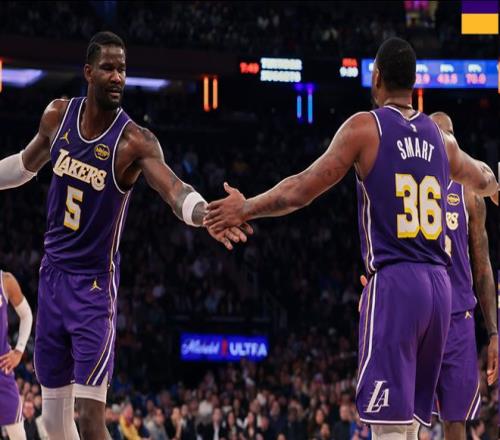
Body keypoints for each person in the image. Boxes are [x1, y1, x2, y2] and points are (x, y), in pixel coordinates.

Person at [204, 37, 499, 440]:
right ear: (414, 82)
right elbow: (484, 178)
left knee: (389, 426)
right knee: (413, 425)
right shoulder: (441, 140)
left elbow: (301, 189)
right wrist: (497, 185)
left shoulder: (366, 127)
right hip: (440, 290)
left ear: (376, 77)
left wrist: (246, 207)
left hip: (397, 282)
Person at [0, 31, 251, 440]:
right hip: (51, 278)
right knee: (53, 420)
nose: (117, 76)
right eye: (108, 68)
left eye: (122, 69)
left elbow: (174, 190)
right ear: (88, 72)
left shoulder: (135, 141)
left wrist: (205, 213)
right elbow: (24, 166)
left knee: (90, 418)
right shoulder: (57, 116)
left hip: (93, 288)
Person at [429, 112, 498, 440]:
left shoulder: (469, 192)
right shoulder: (405, 181)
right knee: (406, 414)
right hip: (419, 310)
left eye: (449, 136)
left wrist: (493, 332)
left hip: (458, 314)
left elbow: (482, 266)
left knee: (456, 419)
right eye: (438, 135)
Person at [0, 270, 33, 440]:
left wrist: (19, 350)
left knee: (18, 435)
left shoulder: (5, 280)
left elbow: (26, 315)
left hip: (2, 370)